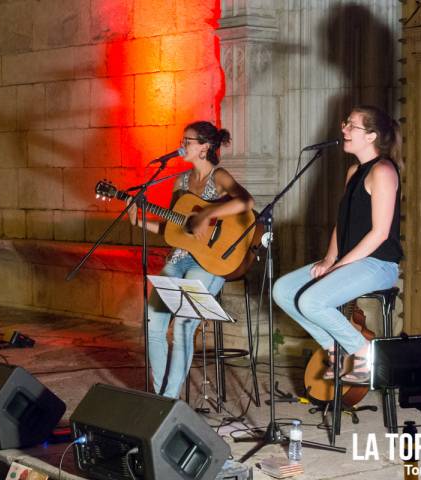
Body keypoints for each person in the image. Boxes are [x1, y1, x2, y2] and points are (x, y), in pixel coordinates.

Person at [273, 105, 403, 384]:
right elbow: (341, 225)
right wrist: (329, 260)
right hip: (351, 261)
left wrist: (338, 266)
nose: (343, 129)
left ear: (371, 136)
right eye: (345, 123)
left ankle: (363, 352)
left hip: (379, 264)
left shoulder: (383, 171)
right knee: (283, 290)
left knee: (311, 301)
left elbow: (379, 234)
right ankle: (336, 349)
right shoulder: (354, 171)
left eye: (351, 125)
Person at [127, 120, 254, 398]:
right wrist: (140, 222)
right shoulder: (180, 181)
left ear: (205, 147)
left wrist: (207, 215)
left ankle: (169, 400)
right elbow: (174, 230)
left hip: (209, 261)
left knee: (185, 324)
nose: (181, 145)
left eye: (188, 141)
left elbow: (246, 201)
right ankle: (160, 393)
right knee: (153, 322)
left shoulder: (219, 176)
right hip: (179, 257)